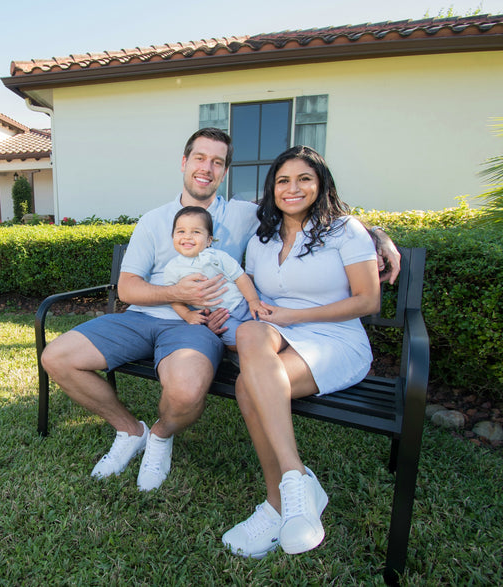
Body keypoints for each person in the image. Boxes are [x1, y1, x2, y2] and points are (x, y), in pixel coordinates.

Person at [40, 128, 400, 494]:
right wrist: (174, 292)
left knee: (184, 392)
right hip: (142, 316)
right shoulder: (154, 220)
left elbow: (308, 208)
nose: (206, 168)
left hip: (197, 326)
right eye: (200, 158)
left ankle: (161, 437)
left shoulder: (245, 215)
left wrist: (377, 235)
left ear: (224, 172)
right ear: (184, 162)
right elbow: (128, 287)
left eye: (217, 162)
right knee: (57, 357)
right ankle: (131, 430)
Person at [221, 145, 380, 559]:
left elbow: (368, 300)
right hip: (275, 330)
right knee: (251, 333)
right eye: (283, 180)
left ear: (320, 184)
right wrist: (219, 313)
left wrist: (293, 316)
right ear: (272, 188)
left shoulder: (345, 230)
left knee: (245, 387)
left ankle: (278, 501)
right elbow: (253, 296)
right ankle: (295, 483)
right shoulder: (263, 237)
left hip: (335, 338)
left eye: (304, 179)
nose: (293, 188)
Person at [163, 206, 264, 348]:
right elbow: (174, 298)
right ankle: (255, 353)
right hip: (221, 317)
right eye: (181, 231)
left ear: (209, 240)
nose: (187, 236)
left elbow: (240, 277)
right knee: (237, 339)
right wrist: (187, 315)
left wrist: (253, 301)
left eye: (196, 232)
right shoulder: (172, 268)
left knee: (270, 317)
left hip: (243, 302)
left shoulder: (218, 256)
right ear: (173, 236)